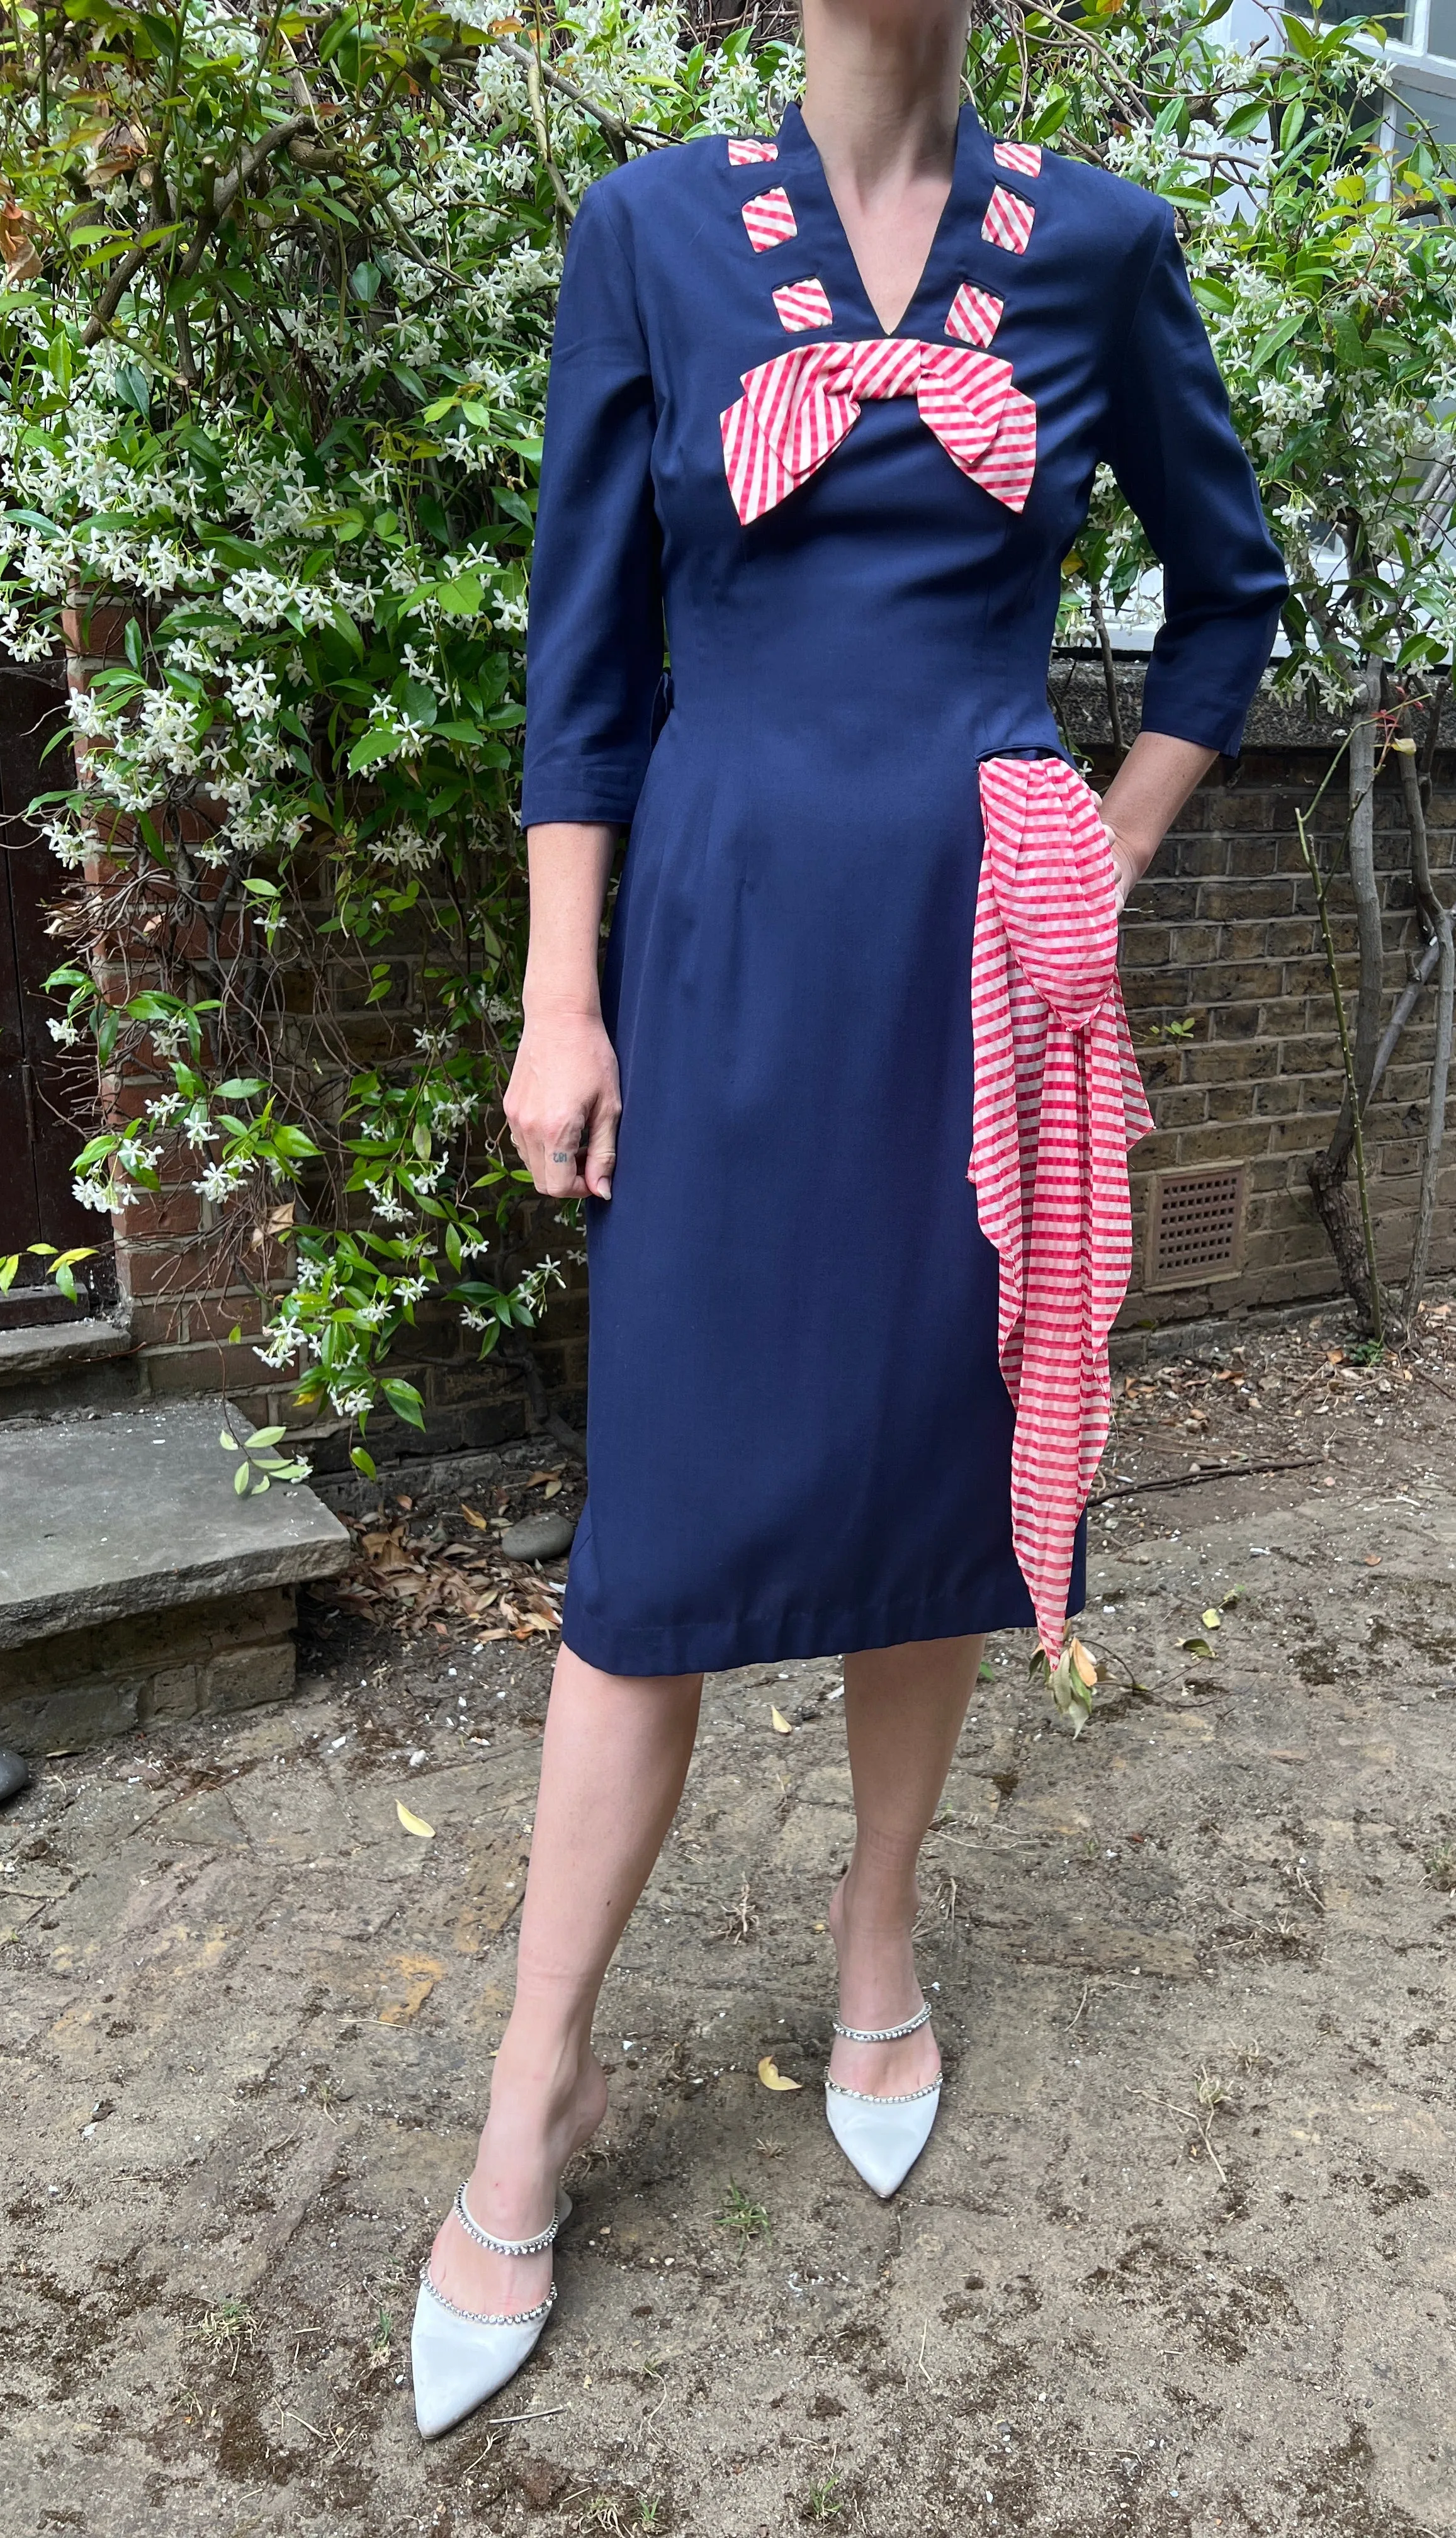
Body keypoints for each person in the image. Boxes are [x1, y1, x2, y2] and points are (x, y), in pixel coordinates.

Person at [412, 0, 1287, 2437]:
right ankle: (541, 2080)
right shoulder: (653, 234)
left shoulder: (1103, 249)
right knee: (665, 1532)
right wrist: (556, 999)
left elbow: (1230, 600)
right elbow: (582, 657)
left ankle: (877, 1947)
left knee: (937, 1449)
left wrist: (1092, 867)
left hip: (985, 967)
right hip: (717, 946)